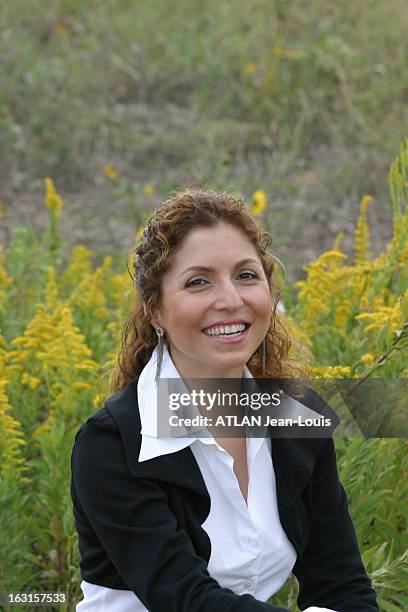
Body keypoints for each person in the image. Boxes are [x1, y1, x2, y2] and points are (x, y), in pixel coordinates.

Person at [70, 188, 379, 611]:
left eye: (246, 275)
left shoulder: (296, 418)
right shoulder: (111, 445)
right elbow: (188, 601)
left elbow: (343, 586)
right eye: (198, 282)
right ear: (155, 310)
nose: (230, 300)